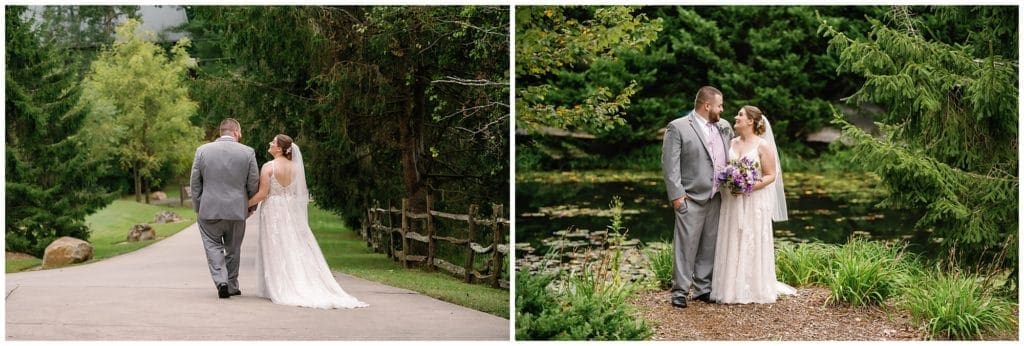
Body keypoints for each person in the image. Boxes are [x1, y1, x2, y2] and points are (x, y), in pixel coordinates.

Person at [247, 134, 368, 309]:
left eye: (273, 142)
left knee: (276, 245)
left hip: (273, 210)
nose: (270, 143)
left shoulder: (269, 167)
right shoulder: (296, 168)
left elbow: (263, 193)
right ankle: (296, 280)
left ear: (280, 148)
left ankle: (281, 284)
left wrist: (245, 204)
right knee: (292, 244)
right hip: (289, 209)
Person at [710, 105, 795, 304]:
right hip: (732, 202)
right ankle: (729, 289)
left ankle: (753, 287)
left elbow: (771, 175)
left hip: (753, 201)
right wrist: (729, 181)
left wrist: (749, 186)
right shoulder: (731, 143)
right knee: (732, 238)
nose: (735, 117)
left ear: (751, 121)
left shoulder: (762, 145)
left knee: (752, 238)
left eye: (740, 115)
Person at [661, 86, 734, 308]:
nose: (722, 109)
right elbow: (669, 164)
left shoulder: (724, 127)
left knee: (710, 244)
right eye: (719, 105)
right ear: (707, 105)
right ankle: (680, 291)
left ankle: (703, 289)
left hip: (716, 196)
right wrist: (677, 196)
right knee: (686, 245)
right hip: (690, 197)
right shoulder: (678, 127)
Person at [190, 118, 260, 299]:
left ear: (222, 132)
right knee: (233, 248)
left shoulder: (202, 151)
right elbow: (253, 182)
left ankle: (221, 281)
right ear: (236, 132)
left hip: (209, 209)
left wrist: (199, 206)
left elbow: (195, 182)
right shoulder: (248, 152)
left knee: (212, 246)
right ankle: (232, 285)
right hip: (237, 210)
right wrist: (251, 206)